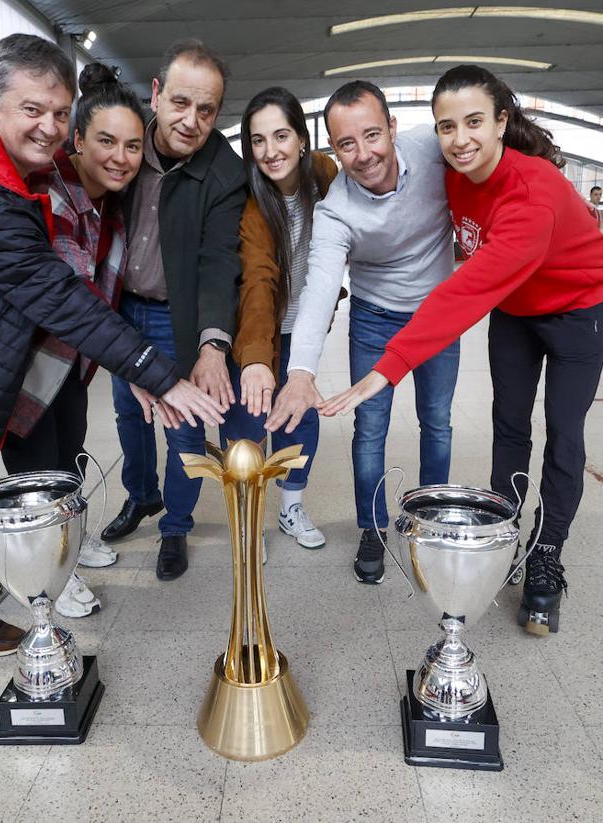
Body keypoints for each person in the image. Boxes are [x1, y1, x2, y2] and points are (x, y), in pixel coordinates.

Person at [0, 34, 223, 656]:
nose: (47, 128)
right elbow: (60, 296)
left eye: (58, 111)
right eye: (31, 110)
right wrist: (158, 374)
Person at [320, 65, 603, 635]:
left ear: (502, 121)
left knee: (564, 432)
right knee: (508, 426)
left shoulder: (534, 191)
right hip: (517, 312)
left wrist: (390, 364)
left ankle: (546, 554)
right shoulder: (450, 170)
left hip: (579, 309)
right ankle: (503, 538)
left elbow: (466, 291)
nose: (460, 139)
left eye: (475, 122)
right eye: (446, 127)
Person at [0, 62, 182, 618]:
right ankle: (51, 577)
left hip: (70, 359)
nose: (120, 157)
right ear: (77, 138)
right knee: (37, 467)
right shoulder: (51, 195)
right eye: (105, 141)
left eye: (131, 145)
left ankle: (71, 547)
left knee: (70, 451)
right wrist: (143, 371)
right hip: (24, 359)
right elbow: (72, 298)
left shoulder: (107, 201)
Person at [265, 80, 459, 584]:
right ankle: (372, 528)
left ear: (392, 127)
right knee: (369, 428)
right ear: (333, 148)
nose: (364, 154)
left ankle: (430, 518)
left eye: (372, 135)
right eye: (346, 144)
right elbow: (318, 291)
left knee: (436, 421)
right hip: (374, 318)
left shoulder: (432, 150)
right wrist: (301, 370)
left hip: (438, 316)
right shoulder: (336, 210)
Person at [100, 39, 247, 581]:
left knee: (182, 427)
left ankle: (175, 528)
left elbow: (218, 262)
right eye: (181, 103)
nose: (190, 120)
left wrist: (213, 345)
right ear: (156, 95)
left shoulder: (225, 174)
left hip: (173, 315)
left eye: (206, 110)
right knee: (128, 411)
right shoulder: (124, 143)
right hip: (118, 309)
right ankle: (141, 497)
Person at [222, 87, 339, 553]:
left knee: (298, 417)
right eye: (257, 140)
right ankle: (248, 518)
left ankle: (291, 506)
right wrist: (253, 358)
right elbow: (258, 279)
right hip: (253, 325)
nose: (271, 151)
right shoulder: (247, 196)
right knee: (246, 421)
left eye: (281, 136)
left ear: (303, 137)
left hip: (302, 329)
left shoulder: (326, 177)